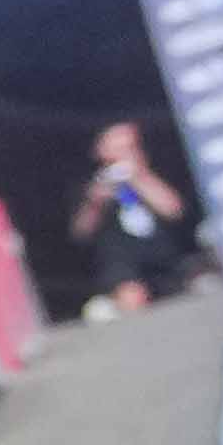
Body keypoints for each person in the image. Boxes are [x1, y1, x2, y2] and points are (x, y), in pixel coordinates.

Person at [71, 121, 198, 316]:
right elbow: (80, 233)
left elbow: (174, 210)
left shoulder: (157, 170)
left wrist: (138, 177)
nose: (123, 154)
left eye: (129, 147)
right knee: (131, 295)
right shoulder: (88, 186)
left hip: (167, 257)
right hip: (123, 263)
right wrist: (95, 203)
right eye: (117, 149)